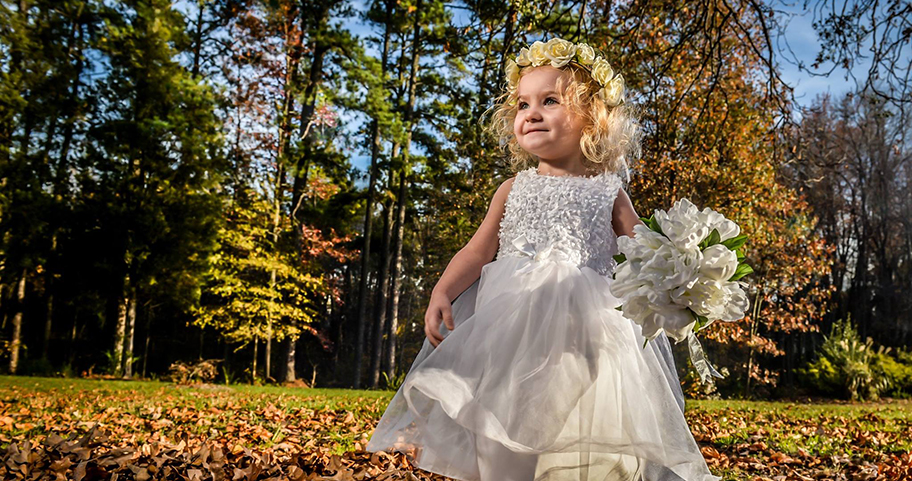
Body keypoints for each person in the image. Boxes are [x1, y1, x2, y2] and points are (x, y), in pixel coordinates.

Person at [366, 37, 720, 481]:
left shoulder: (609, 190)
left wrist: (685, 273)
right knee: (502, 415)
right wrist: (443, 290)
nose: (530, 113)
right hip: (508, 329)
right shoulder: (513, 188)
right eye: (521, 104)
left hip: (586, 330)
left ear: (593, 117)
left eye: (549, 101)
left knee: (580, 421)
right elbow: (478, 250)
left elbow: (645, 252)